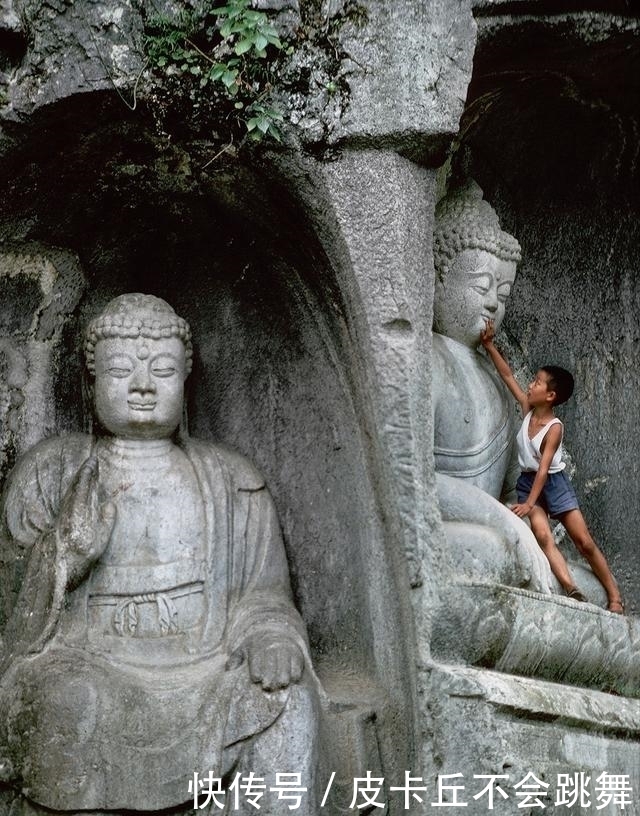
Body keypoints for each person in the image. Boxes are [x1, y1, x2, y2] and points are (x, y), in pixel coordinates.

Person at [0, 293, 319, 815]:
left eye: (163, 370)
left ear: (185, 380)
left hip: (206, 669)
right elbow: (13, 615)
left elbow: (264, 595)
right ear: (92, 379)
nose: (143, 386)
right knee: (61, 702)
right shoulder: (51, 472)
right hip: (85, 664)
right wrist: (64, 552)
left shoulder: (232, 482)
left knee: (288, 702)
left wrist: (271, 637)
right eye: (122, 370)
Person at [432, 179, 556, 594]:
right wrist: (504, 522)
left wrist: (526, 520)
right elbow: (412, 479)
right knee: (491, 550)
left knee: (569, 575)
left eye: (502, 294)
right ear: (437, 281)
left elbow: (509, 489)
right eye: (482, 288)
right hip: (446, 531)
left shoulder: (498, 382)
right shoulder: (423, 360)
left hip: (498, 531)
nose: (492, 305)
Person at [480, 316, 624, 614]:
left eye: (536, 382)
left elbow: (545, 470)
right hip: (527, 483)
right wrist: (489, 345)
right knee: (543, 536)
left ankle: (614, 596)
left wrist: (528, 504)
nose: (529, 385)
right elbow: (507, 376)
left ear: (550, 395)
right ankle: (570, 588)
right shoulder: (527, 408)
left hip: (553, 485)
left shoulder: (554, 428)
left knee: (583, 542)